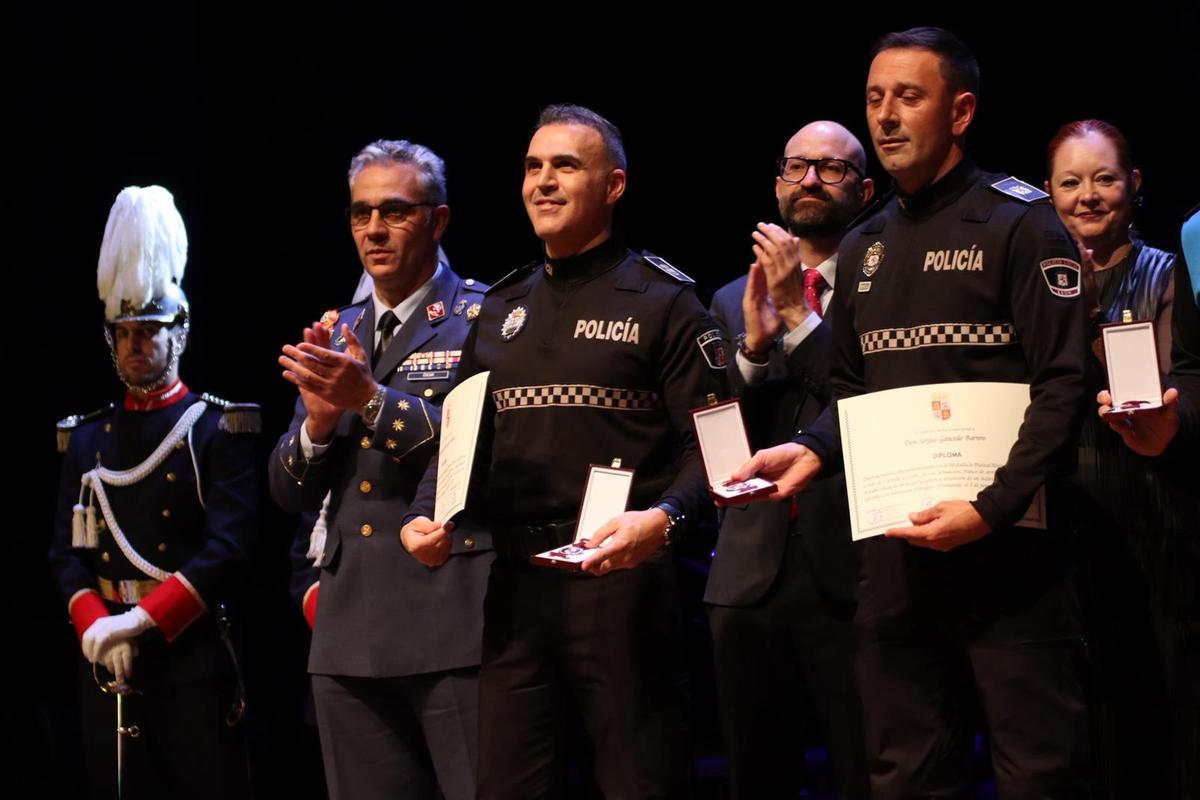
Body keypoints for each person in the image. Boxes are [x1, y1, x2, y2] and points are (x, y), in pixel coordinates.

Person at [733, 27, 1091, 798]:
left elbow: (1063, 388)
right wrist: (816, 451)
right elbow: (849, 389)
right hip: (895, 555)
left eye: (908, 97)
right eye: (874, 99)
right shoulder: (865, 246)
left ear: (960, 112)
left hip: (1011, 552)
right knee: (904, 771)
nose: (886, 116)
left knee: (1038, 773)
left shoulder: (1021, 223)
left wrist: (990, 509)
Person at [401, 104, 727, 799]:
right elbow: (462, 438)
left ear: (613, 185)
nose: (543, 182)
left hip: (624, 587)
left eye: (566, 165)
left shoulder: (665, 301)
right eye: (532, 167)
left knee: (642, 784)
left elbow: (723, 453)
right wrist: (430, 514)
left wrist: (663, 519)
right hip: (517, 590)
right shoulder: (502, 306)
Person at [268, 140, 492, 800]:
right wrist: (315, 424)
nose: (373, 229)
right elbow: (285, 492)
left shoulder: (482, 319)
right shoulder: (342, 329)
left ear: (439, 220)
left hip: (450, 621)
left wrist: (366, 398)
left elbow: (474, 452)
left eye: (393, 211)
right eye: (361, 213)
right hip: (348, 631)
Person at [50, 185, 259, 799]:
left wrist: (139, 624)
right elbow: (66, 555)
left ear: (180, 333)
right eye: (125, 332)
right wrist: (96, 628)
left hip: (188, 655)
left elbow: (229, 550)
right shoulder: (85, 439)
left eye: (150, 330)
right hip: (105, 658)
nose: (136, 343)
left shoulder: (218, 428)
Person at [704, 120, 871, 800]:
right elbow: (711, 442)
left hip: (854, 571)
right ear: (776, 182)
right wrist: (751, 349)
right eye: (796, 166)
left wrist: (796, 322)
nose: (809, 180)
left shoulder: (881, 285)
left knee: (867, 767)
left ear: (865, 191)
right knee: (754, 774)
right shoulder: (723, 299)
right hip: (750, 574)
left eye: (830, 169)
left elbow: (860, 401)